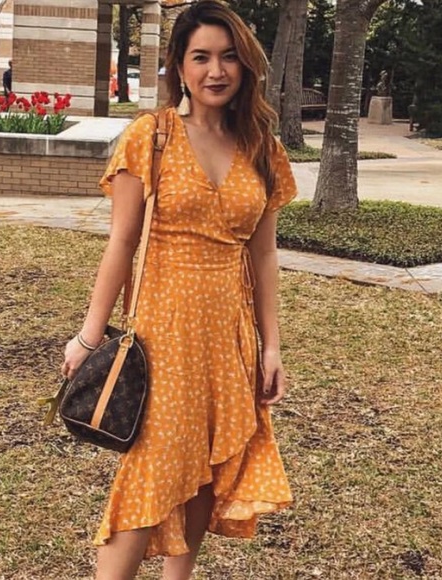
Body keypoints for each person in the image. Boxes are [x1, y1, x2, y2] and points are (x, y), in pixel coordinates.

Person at [62, 1, 297, 578]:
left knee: (206, 472)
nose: (216, 70)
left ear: (245, 65)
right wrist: (89, 336)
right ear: (179, 66)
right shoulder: (153, 136)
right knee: (151, 472)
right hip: (163, 336)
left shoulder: (262, 147)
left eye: (228, 57)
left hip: (230, 337)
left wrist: (271, 345)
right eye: (201, 57)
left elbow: (263, 255)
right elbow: (121, 242)